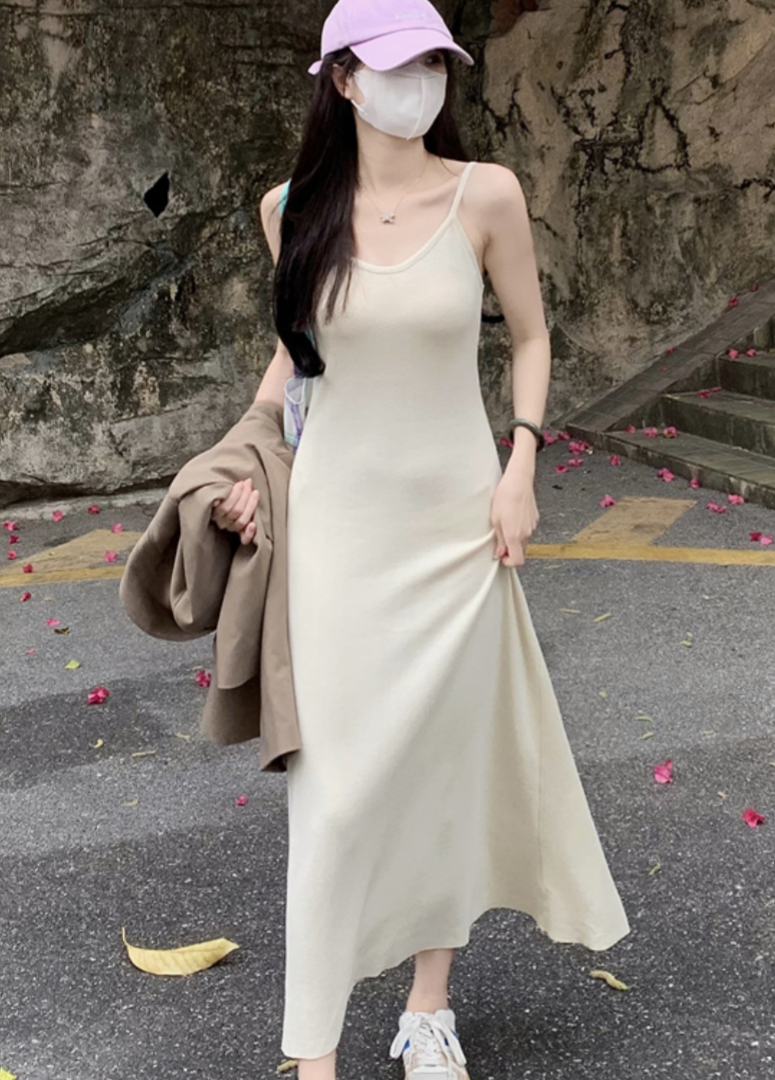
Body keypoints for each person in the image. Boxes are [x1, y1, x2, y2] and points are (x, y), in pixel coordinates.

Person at [210, 2, 630, 1077]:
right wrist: (244, 467)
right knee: (335, 797)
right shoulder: (289, 209)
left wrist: (521, 466)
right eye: (399, 65)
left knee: (440, 772)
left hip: (458, 530)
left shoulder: (486, 195)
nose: (422, 83)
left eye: (435, 63)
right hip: (337, 538)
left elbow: (531, 338)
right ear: (344, 80)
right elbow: (295, 363)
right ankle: (313, 1054)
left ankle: (428, 1007)